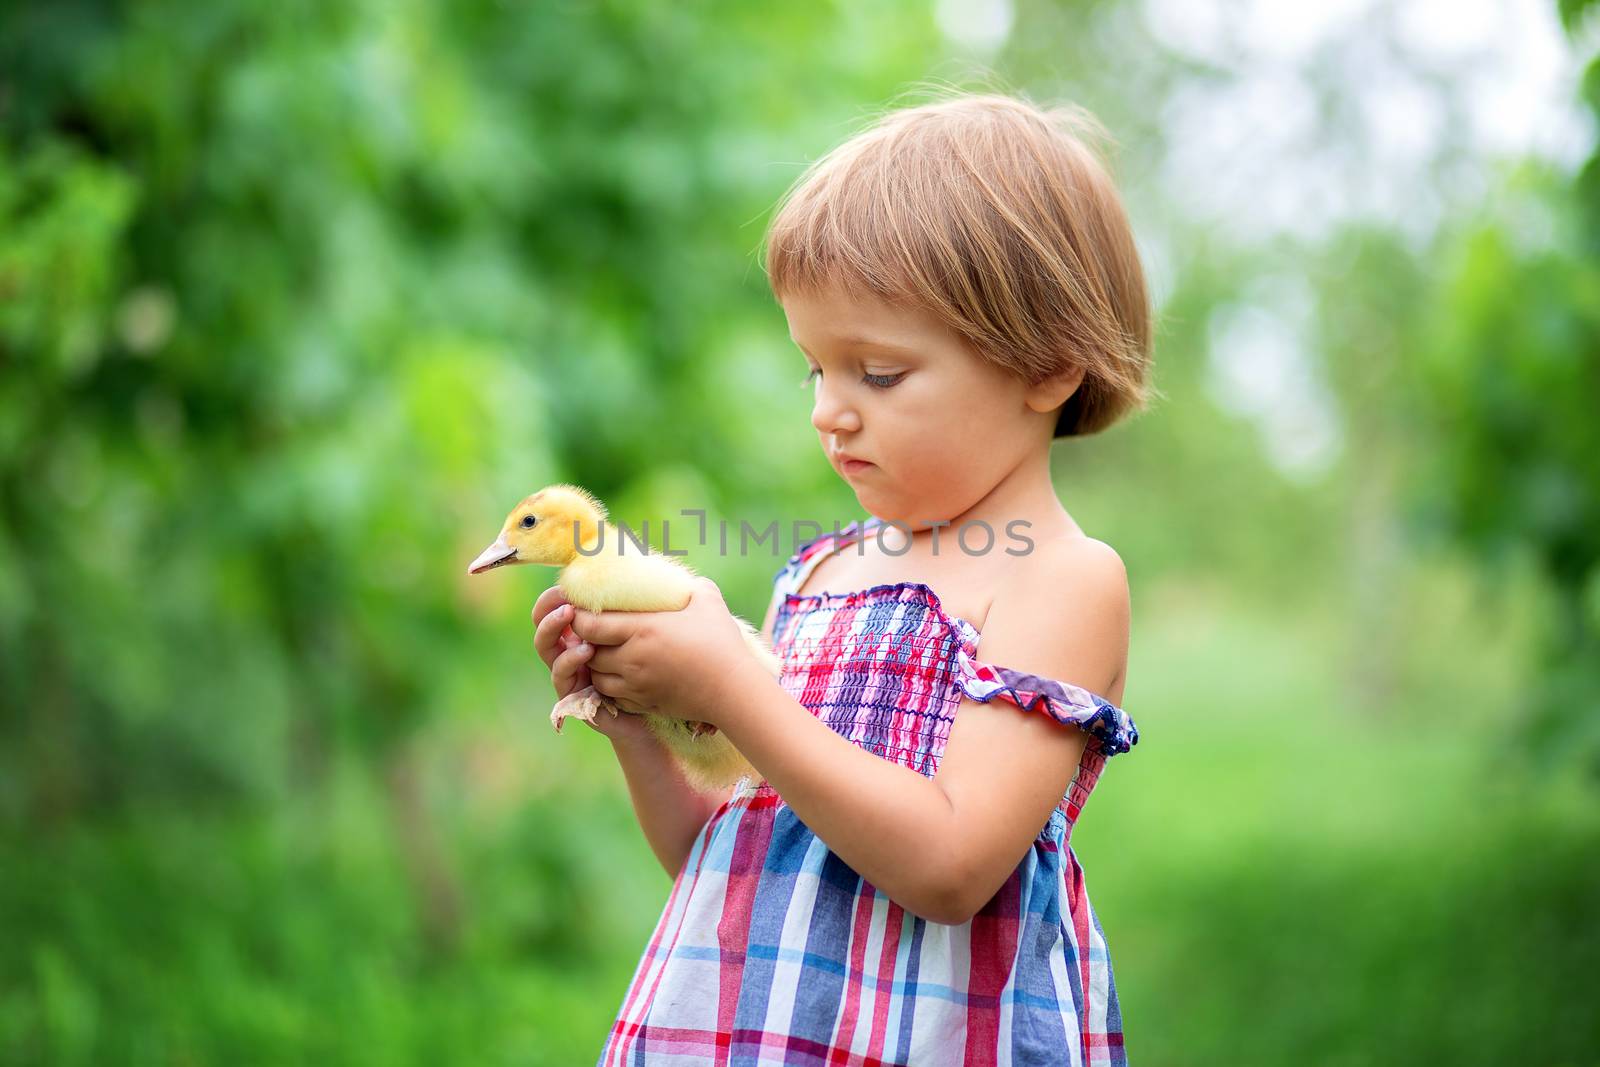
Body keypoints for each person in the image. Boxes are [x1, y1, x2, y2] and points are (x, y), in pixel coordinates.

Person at [531, 88, 1157, 1066]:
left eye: (876, 372)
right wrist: (642, 724)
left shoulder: (1060, 580)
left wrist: (731, 686)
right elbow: (733, 862)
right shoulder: (821, 573)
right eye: (814, 369)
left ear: (1047, 367)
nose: (829, 411)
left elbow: (949, 865)